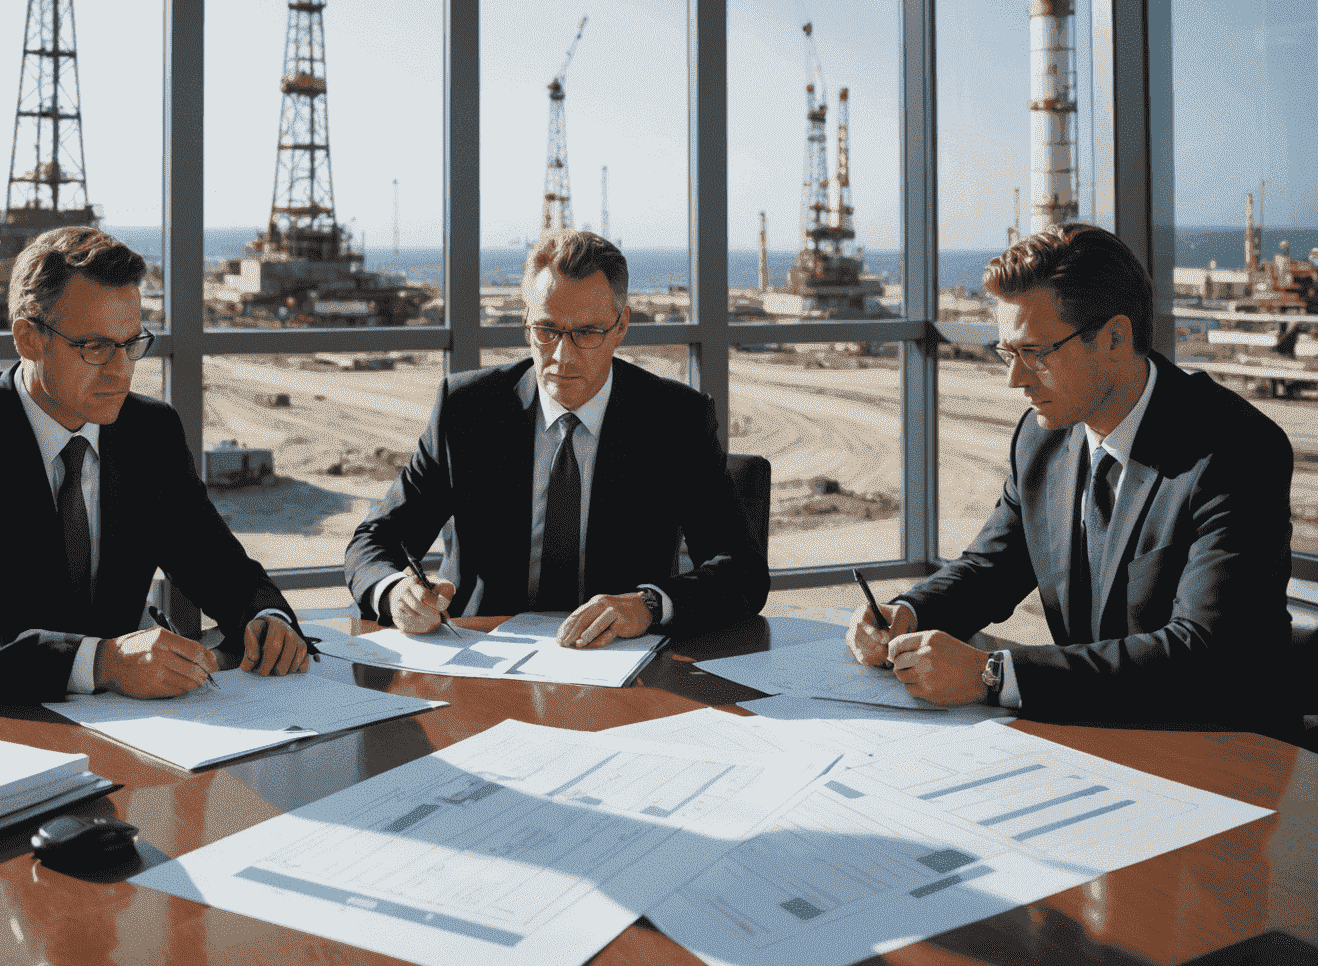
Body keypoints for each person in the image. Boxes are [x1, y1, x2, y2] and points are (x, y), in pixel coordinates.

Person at [845, 222, 1294, 731]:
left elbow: (1204, 652)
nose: (1015, 378)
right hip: (1089, 733)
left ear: (1115, 337)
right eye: (1007, 352)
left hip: (1222, 749)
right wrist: (908, 612)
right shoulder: (1043, 438)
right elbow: (991, 568)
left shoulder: (1234, 450)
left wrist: (993, 676)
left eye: (1035, 352)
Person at [0, 227, 311, 703]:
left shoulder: (151, 431)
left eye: (131, 344)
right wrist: (99, 662)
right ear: (28, 339)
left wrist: (267, 618)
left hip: (121, 727)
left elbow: (214, 561)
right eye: (95, 347)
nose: (120, 370)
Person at [344, 229, 769, 647]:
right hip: (483, 661)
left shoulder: (676, 418)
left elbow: (743, 571)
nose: (562, 356)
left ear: (621, 326)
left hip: (624, 662)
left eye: (586, 332)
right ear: (525, 324)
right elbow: (375, 540)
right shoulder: (466, 410)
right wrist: (394, 592)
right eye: (546, 330)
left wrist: (650, 606)